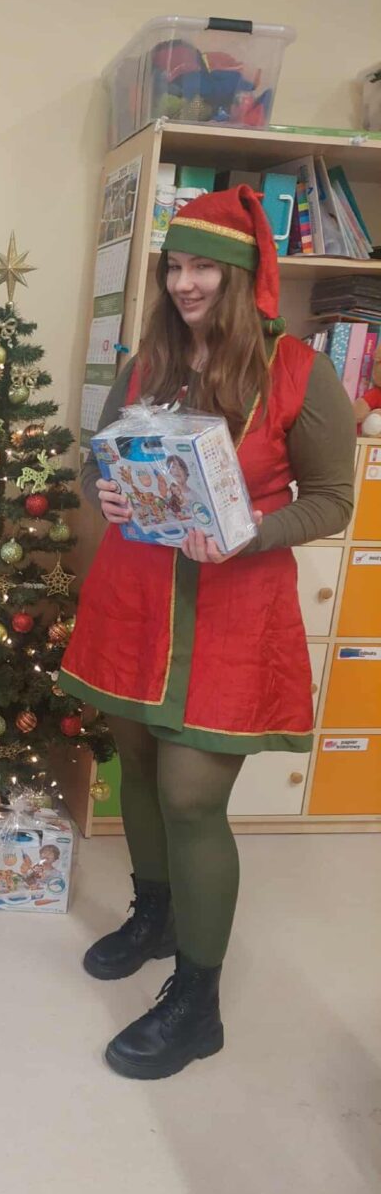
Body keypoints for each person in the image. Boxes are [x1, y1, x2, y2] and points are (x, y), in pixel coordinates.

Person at [60, 186, 355, 1080]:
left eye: (204, 269)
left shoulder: (299, 371)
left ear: (240, 277)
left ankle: (198, 1003)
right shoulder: (145, 364)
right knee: (137, 764)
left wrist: (250, 531)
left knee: (191, 795)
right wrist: (106, 491)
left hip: (233, 607)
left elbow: (331, 500)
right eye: (175, 268)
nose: (185, 284)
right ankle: (154, 914)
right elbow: (99, 462)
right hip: (135, 599)